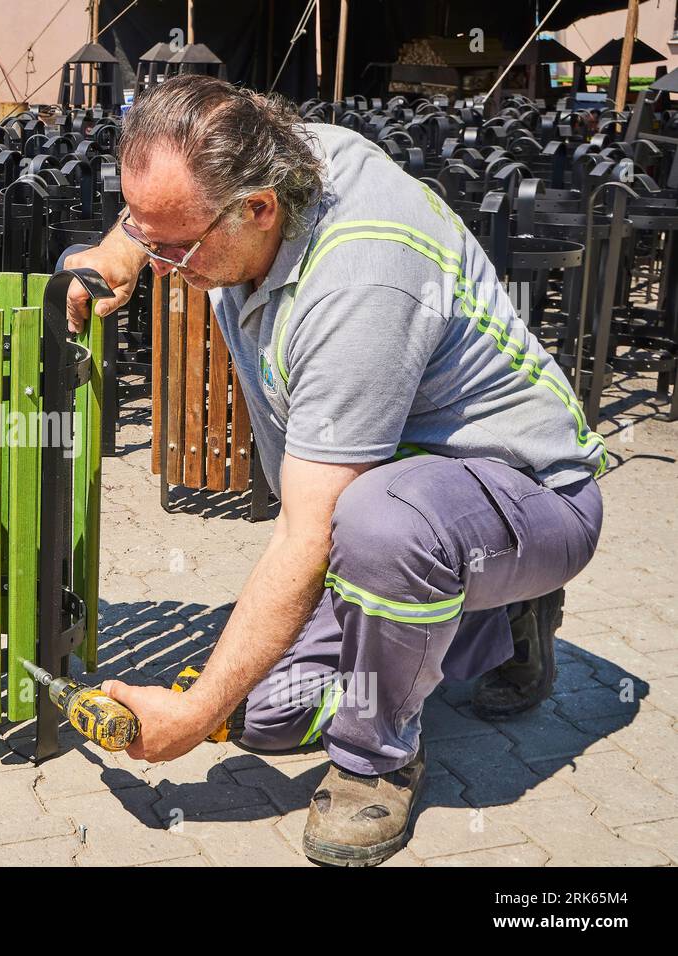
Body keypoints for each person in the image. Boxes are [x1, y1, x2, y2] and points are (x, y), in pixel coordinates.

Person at [63, 76, 604, 866]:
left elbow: (312, 533)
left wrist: (192, 712)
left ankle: (378, 762)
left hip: (525, 493)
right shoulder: (269, 157)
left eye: (176, 245)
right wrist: (124, 248)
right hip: (393, 487)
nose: (167, 265)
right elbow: (167, 196)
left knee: (380, 525)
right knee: (261, 717)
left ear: (259, 208)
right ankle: (484, 622)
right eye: (153, 237)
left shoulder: (361, 279)